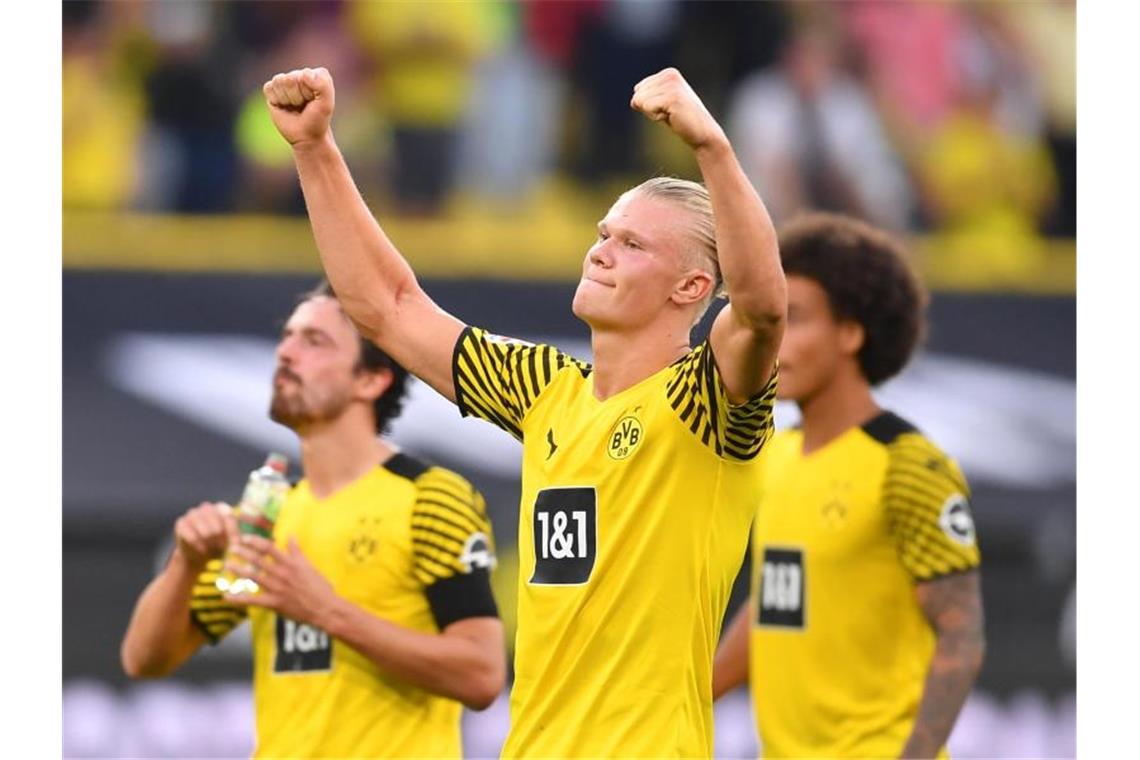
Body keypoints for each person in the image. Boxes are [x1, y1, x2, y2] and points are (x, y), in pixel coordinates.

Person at [261, 66, 785, 757]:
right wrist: (315, 149)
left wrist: (712, 147)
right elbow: (387, 309)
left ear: (691, 286)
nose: (600, 251)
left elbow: (762, 310)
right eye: (604, 232)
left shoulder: (705, 404)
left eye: (632, 244)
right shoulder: (546, 390)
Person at [120, 281, 506, 758]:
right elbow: (144, 659)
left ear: (371, 379)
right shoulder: (268, 511)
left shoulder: (430, 497)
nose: (285, 352)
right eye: (287, 336)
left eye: (314, 341)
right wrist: (187, 564)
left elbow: (481, 673)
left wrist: (327, 611)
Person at [712, 212, 985, 759]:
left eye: (796, 318)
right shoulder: (774, 454)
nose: (775, 337)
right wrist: (685, 697)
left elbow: (962, 635)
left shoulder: (907, 465)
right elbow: (776, 601)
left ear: (851, 333)